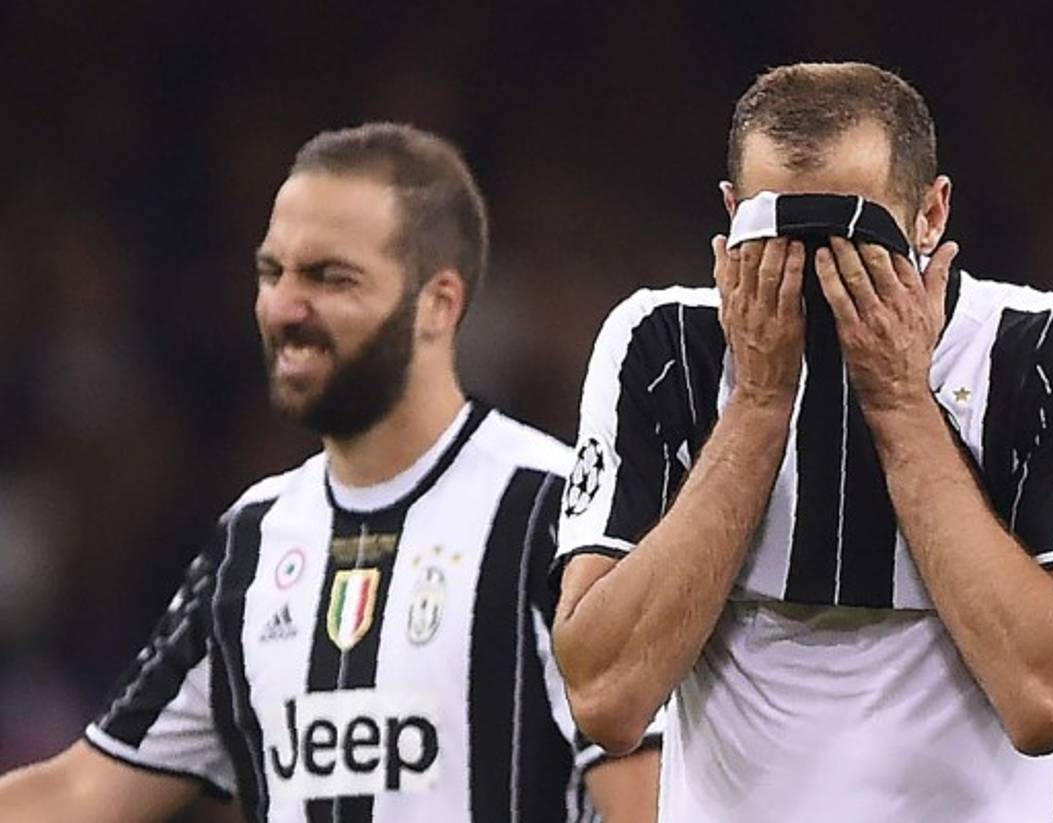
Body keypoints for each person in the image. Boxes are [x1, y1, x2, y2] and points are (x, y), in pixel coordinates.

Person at [0, 123, 660, 823]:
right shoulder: (251, 542)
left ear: (439, 303)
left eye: (329, 277)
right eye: (271, 272)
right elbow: (83, 790)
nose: (285, 307)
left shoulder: (555, 513)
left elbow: (645, 805)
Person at [551, 62, 1053, 822]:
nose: (815, 267)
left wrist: (900, 400)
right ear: (732, 215)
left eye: (852, 236)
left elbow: (1048, 696)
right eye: (779, 234)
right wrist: (760, 403)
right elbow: (605, 696)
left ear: (930, 216)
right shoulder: (661, 346)